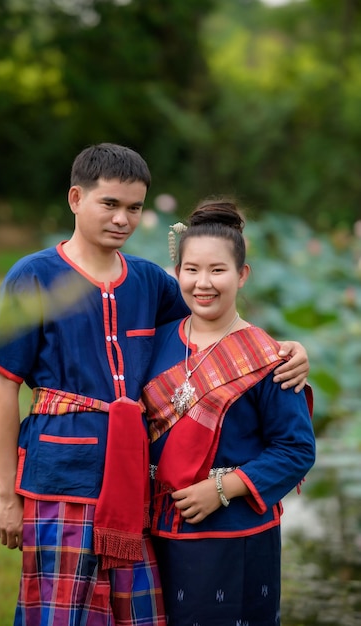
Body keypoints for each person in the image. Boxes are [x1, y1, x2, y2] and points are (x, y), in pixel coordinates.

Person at [0, 143, 309, 626]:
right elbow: (3, 387)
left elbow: (215, 335)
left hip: (135, 482)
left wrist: (289, 348)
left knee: (137, 614)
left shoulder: (151, 281)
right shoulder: (33, 276)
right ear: (75, 198)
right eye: (109, 204)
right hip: (59, 475)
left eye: (134, 207)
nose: (122, 219)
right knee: (62, 613)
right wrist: (7, 495)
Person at [142, 198, 316, 626]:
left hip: (236, 536)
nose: (203, 283)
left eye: (218, 270)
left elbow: (296, 450)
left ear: (242, 276)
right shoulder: (157, 340)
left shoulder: (269, 359)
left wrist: (222, 488)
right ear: (177, 272)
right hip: (155, 530)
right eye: (191, 269)